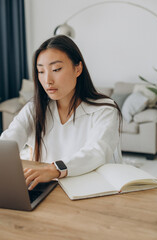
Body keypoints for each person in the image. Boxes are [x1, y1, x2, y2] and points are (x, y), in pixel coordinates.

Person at [0, 35, 122, 191]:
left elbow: (97, 152)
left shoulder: (105, 110)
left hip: (91, 190)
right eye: (41, 71)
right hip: (47, 189)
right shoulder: (34, 108)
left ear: (78, 68)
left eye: (56, 69)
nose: (47, 80)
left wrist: (55, 169)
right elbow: (9, 142)